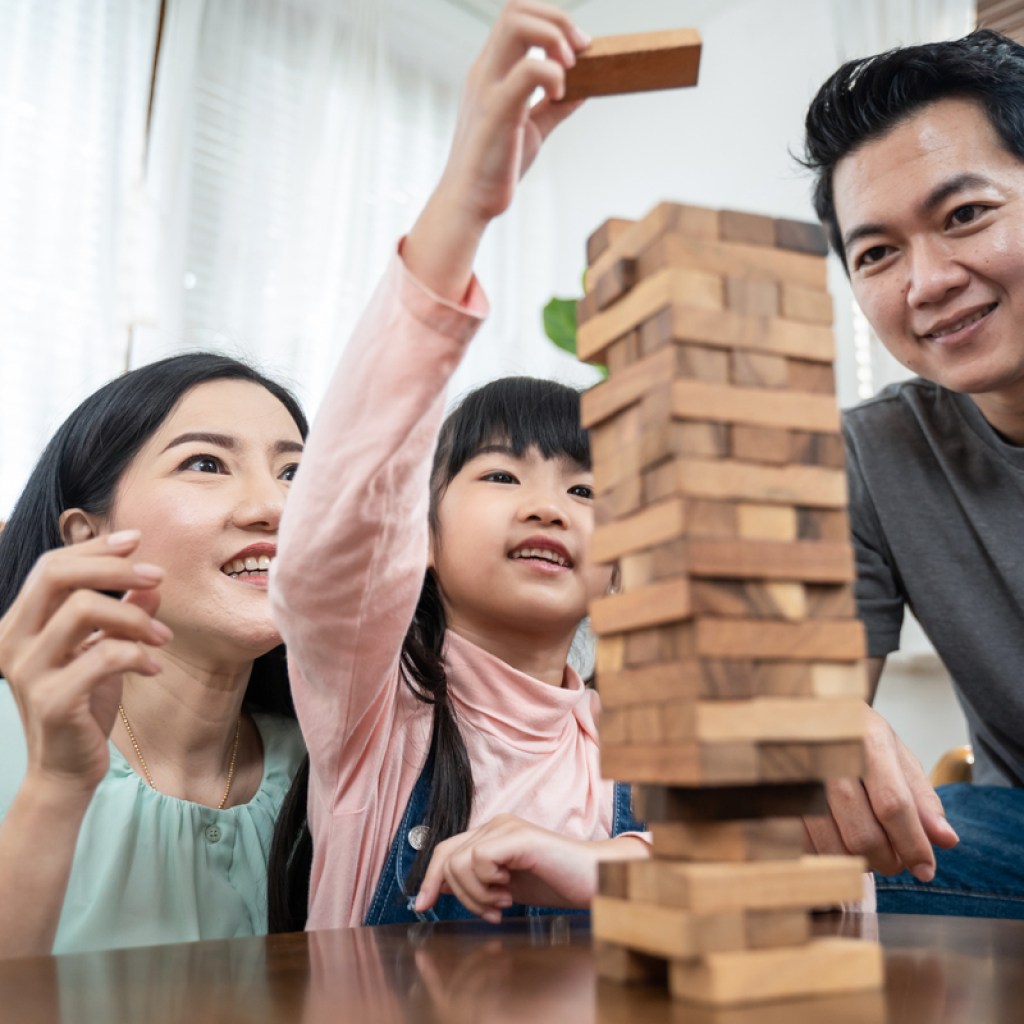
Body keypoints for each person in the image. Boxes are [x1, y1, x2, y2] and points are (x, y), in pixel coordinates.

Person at [268, 0, 649, 932]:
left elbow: (762, 896)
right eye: (501, 475)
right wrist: (469, 200)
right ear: (420, 541)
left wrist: (619, 867)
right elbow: (342, 518)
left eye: (586, 488)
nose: (550, 505)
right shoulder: (377, 706)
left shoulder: (643, 750)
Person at [801, 29, 1024, 916]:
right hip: (1008, 841)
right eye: (878, 253)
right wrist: (815, 729)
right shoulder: (872, 451)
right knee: (613, 816)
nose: (927, 282)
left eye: (966, 214)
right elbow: (815, 705)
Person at [0, 353, 307, 956]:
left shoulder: (331, 769)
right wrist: (59, 787)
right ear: (88, 537)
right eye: (205, 463)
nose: (274, 506)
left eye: (296, 474)